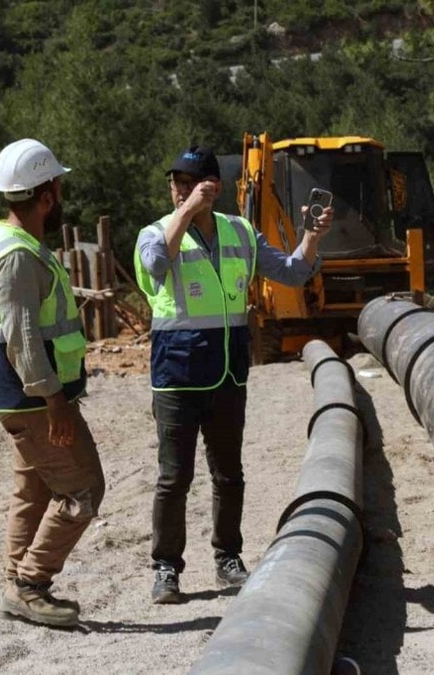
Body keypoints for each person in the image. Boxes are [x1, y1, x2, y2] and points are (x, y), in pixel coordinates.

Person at [134, 145, 332, 604]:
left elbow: (292, 271)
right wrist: (184, 211)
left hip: (226, 373)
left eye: (190, 183)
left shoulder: (240, 232)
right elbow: (155, 267)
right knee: (174, 478)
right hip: (177, 376)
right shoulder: (155, 233)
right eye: (175, 183)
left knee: (228, 475)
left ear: (215, 187)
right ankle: (166, 568)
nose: (179, 190)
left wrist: (312, 237)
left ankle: (228, 558)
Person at [0, 138, 106, 627]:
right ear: (47, 193)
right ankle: (32, 585)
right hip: (34, 399)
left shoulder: (14, 242)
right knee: (83, 490)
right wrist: (55, 401)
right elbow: (23, 341)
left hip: (27, 397)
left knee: (33, 490)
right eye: (58, 183)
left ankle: (18, 583)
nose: (61, 191)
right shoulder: (16, 256)